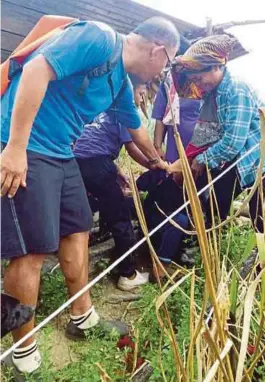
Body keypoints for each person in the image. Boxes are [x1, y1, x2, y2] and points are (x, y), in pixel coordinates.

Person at [1, 17, 179, 376]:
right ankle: (24, 351)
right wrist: (15, 149)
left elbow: (136, 130)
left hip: (62, 153)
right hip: (26, 147)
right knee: (31, 250)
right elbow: (36, 71)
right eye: (170, 61)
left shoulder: (119, 82)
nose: (166, 69)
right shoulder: (98, 38)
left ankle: (82, 317)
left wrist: (162, 163)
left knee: (79, 228)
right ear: (158, 50)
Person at [168, 34, 265, 232]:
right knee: (215, 202)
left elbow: (232, 142)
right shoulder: (212, 94)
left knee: (260, 219)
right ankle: (211, 241)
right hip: (237, 161)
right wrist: (189, 161)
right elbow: (208, 133)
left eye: (199, 77)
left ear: (216, 66)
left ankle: (258, 259)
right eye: (194, 80)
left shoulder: (236, 90)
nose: (198, 83)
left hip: (257, 163)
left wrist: (201, 160)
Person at [74, 84, 151, 291]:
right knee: (120, 216)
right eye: (141, 91)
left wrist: (115, 171)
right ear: (130, 89)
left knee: (82, 210)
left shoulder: (100, 106)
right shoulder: (123, 111)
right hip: (97, 165)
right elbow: (134, 149)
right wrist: (156, 165)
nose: (142, 97)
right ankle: (128, 274)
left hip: (73, 164)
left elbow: (92, 145)